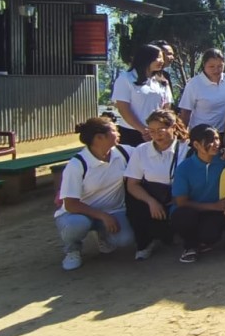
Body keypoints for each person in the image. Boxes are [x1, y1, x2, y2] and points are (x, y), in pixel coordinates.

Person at [54, 117, 135, 271]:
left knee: (126, 239)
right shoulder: (77, 164)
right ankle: (72, 249)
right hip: (77, 214)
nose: (118, 133)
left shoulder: (125, 152)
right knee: (76, 225)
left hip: (113, 210)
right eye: (114, 130)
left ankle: (104, 235)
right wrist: (103, 216)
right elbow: (70, 204)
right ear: (99, 137)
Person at [125, 109, 190, 260]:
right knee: (135, 204)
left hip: (178, 197)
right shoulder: (141, 150)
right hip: (152, 197)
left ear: (173, 127)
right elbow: (132, 184)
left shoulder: (187, 149)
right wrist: (151, 202)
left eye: (161, 130)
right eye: (152, 131)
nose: (156, 135)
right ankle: (145, 243)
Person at [170, 124, 225, 263]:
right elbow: (181, 202)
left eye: (216, 138)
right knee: (183, 216)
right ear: (196, 145)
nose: (215, 143)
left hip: (215, 211)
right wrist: (214, 206)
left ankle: (202, 243)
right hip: (192, 210)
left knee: (211, 234)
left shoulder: (224, 162)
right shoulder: (184, 168)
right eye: (209, 140)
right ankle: (190, 246)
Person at [112, 44, 172, 146]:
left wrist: (157, 130)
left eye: (162, 58)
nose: (161, 61)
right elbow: (123, 109)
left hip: (157, 134)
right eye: (158, 57)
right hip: (131, 134)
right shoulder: (126, 78)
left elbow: (166, 108)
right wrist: (143, 130)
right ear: (145, 58)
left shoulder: (162, 81)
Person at [179, 48, 225, 131]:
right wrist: (182, 135)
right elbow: (185, 112)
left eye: (220, 66)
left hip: (223, 133)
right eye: (211, 66)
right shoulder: (194, 84)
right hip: (201, 135)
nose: (216, 70)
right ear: (204, 65)